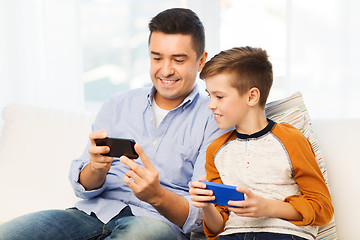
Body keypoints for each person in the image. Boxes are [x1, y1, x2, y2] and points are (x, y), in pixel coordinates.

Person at [0, 8, 230, 240]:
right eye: (157, 57)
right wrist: (96, 169)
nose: (166, 70)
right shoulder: (118, 104)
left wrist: (157, 195)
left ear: (201, 61)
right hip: (91, 214)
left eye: (178, 60)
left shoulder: (216, 118)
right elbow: (83, 185)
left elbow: (204, 216)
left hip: (155, 223)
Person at [189, 47, 334, 240]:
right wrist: (206, 205)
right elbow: (217, 227)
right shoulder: (216, 151)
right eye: (210, 95)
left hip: (283, 234)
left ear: (251, 97)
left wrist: (266, 207)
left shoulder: (291, 139)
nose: (211, 105)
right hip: (232, 235)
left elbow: (322, 208)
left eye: (219, 96)